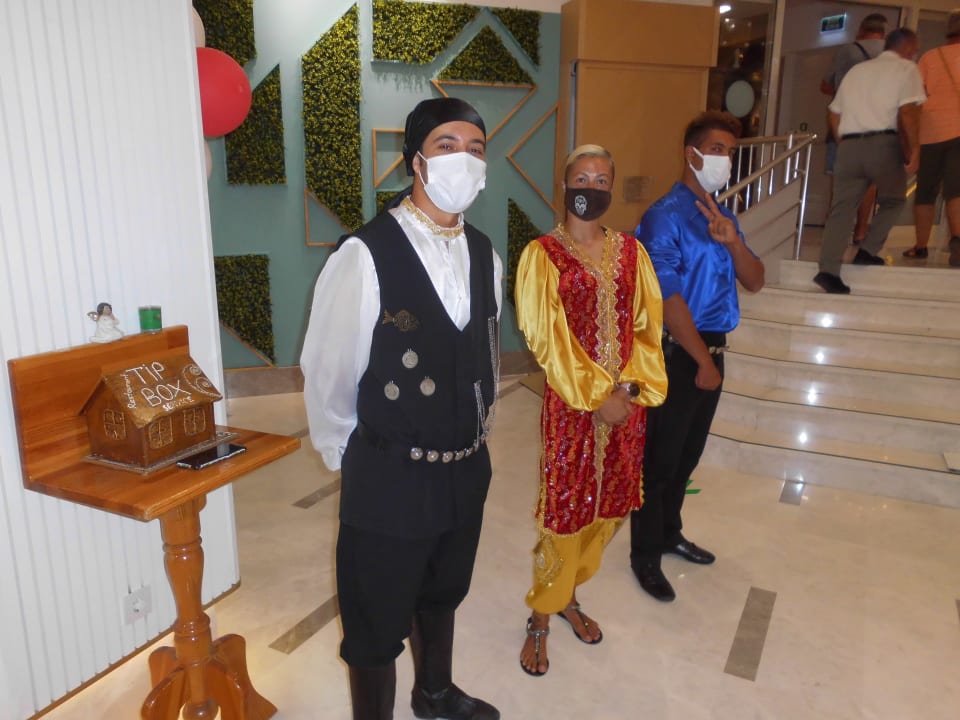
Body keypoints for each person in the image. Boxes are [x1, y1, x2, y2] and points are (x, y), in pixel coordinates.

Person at [300, 97, 502, 720]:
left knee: (442, 588)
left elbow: (484, 354)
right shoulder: (365, 254)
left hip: (465, 465)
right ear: (416, 160)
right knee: (375, 613)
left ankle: (434, 693)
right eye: (447, 145)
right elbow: (330, 368)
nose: (463, 159)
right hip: (391, 471)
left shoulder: (486, 253)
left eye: (475, 148)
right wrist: (350, 456)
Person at [514, 145, 667, 675]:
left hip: (627, 406)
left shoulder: (632, 252)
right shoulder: (542, 255)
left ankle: (569, 596)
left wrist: (628, 391)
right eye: (583, 178)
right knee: (565, 512)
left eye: (602, 180)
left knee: (610, 509)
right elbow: (546, 337)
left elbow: (647, 326)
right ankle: (541, 616)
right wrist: (596, 396)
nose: (592, 187)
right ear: (565, 185)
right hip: (572, 408)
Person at [630, 111, 764, 602]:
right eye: (718, 149)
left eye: (731, 151)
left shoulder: (721, 216)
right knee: (659, 462)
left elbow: (755, 280)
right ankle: (645, 554)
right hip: (678, 353)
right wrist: (702, 362)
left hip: (712, 349)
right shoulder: (665, 215)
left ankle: (670, 533)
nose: (726, 159)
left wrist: (733, 243)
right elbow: (666, 297)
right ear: (692, 154)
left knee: (687, 456)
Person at [813, 28, 926, 295]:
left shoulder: (857, 71)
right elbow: (908, 112)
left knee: (841, 210)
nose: (914, 55)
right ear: (908, 48)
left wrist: (844, 142)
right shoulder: (907, 69)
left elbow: (834, 113)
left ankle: (828, 271)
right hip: (883, 144)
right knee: (894, 199)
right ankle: (867, 250)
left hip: (849, 147)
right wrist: (915, 150)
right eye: (915, 50)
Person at [820, 13, 888, 243]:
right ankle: (861, 230)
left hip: (846, 124)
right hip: (879, 127)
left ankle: (836, 231)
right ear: (884, 32)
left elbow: (827, 85)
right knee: (869, 182)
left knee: (841, 180)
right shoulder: (893, 55)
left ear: (861, 30)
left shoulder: (848, 52)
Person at [903, 10, 960, 266]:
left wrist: (911, 141)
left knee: (925, 192)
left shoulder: (930, 57)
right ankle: (958, 243)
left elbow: (915, 100)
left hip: (931, 133)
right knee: (956, 191)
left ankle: (920, 246)